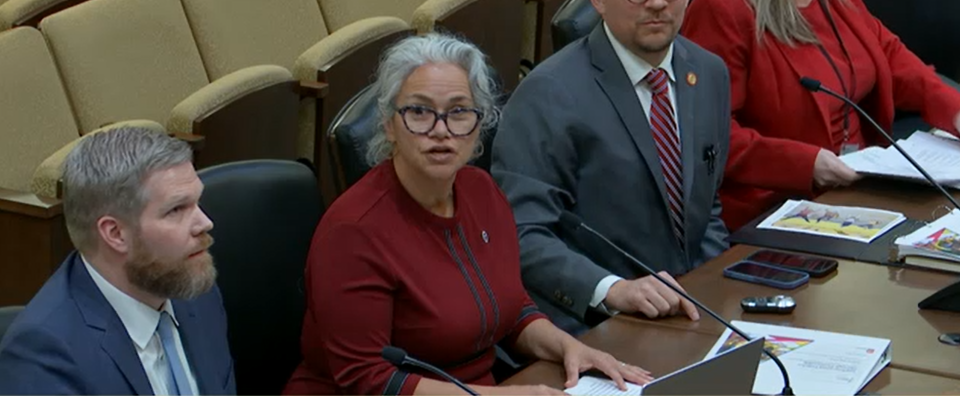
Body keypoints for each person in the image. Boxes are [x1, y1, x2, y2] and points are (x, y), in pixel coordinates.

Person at [283, 34, 654, 395]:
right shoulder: (353, 230)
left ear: (479, 126)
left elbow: (511, 311)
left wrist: (568, 347)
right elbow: (369, 380)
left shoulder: (482, 192)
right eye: (419, 112)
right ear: (389, 125)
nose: (441, 130)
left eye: (459, 112)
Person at [492, 0, 731, 334]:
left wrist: (714, 290)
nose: (658, 3)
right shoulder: (548, 92)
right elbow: (523, 233)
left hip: (690, 315)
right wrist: (613, 290)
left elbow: (707, 208)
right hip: (595, 324)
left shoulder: (709, 72)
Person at [681, 0, 960, 231]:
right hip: (777, 206)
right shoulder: (721, 9)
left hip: (862, 187)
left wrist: (955, 110)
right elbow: (705, 135)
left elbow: (891, 57)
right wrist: (806, 165)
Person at [0, 127, 235, 394]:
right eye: (176, 210)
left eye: (198, 202)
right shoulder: (43, 358)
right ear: (115, 234)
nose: (205, 223)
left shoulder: (195, 292)